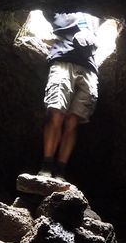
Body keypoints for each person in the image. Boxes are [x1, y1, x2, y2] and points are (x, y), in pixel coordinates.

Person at [38, 11, 102, 179]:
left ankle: (60, 170)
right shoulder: (61, 12)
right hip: (63, 60)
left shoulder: (94, 16)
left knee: (73, 120)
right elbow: (43, 0)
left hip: (89, 67)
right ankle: (46, 166)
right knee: (56, 113)